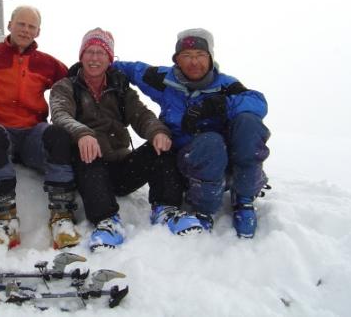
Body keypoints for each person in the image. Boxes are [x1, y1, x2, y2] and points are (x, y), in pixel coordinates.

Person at [49, 28, 203, 251]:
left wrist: (157, 132)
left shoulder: (120, 88)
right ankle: (106, 222)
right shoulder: (66, 86)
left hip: (122, 167)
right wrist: (83, 133)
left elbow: (142, 115)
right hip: (89, 167)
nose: (94, 58)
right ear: (81, 56)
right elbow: (60, 115)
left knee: (161, 145)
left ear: (109, 58)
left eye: (101, 53)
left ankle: (166, 209)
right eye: (89, 52)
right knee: (87, 155)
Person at [113, 28, 270, 238]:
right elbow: (131, 69)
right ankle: (204, 208)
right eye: (186, 55)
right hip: (187, 164)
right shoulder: (165, 80)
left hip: (227, 164)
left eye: (200, 55)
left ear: (210, 57)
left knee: (249, 122)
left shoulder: (225, 85)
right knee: (210, 141)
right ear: (177, 60)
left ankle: (244, 199)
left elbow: (259, 103)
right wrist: (103, 66)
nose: (194, 62)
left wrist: (220, 105)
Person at [0, 5, 80, 249]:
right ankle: (5, 219)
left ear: (38, 32)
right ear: (10, 25)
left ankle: (61, 215)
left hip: (32, 137)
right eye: (21, 24)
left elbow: (76, 79)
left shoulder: (46, 63)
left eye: (31, 26)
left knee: (57, 135)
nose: (26, 30)